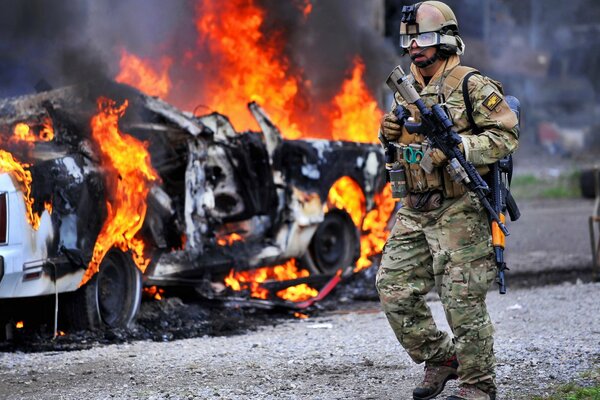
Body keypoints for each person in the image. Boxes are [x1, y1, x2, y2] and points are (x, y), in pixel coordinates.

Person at [375, 2, 519, 400]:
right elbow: (399, 145)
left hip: (459, 207)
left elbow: (506, 135)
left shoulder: (472, 85)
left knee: (462, 297)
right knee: (393, 288)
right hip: (416, 208)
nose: (415, 47)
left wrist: (460, 147)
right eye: (409, 40)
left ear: (445, 39)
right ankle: (441, 358)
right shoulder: (408, 89)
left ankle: (477, 384)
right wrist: (389, 132)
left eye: (422, 39)